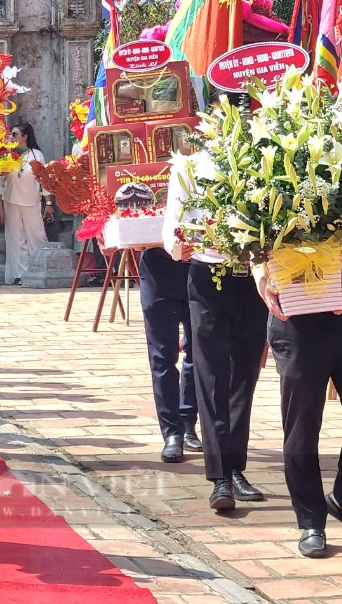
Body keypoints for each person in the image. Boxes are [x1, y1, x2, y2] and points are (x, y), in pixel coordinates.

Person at [257, 88, 342, 558]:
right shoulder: (295, 172)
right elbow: (261, 237)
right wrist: (263, 277)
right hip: (296, 319)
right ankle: (310, 521)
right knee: (302, 425)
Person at [164, 119, 268, 513]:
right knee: (210, 375)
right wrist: (199, 238)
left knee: (245, 375)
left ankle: (236, 466)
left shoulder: (261, 166)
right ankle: (219, 476)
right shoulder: (190, 168)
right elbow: (173, 233)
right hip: (209, 277)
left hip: (252, 278)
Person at [137, 244, 201, 463]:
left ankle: (188, 422)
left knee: (199, 352)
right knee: (162, 355)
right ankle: (172, 432)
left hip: (199, 266)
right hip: (158, 268)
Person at [0, 121, 51, 286]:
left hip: (32, 200)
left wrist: (48, 202)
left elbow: (43, 179)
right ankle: (19, 274)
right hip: (11, 200)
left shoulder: (36, 155)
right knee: (15, 238)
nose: (11, 137)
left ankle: (39, 269)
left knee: (37, 235)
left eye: (15, 134)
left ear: (25, 137)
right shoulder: (7, 154)